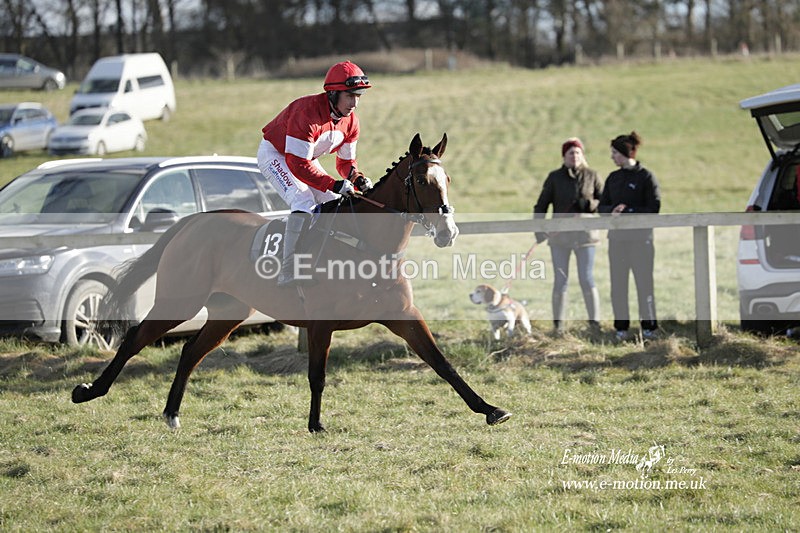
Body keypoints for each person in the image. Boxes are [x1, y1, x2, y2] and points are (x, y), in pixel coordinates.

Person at [257, 60, 373, 287]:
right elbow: (296, 163)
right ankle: (287, 269)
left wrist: (356, 178)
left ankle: (324, 259)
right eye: (350, 96)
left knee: (335, 202)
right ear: (333, 94)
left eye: (358, 96)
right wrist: (332, 183)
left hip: (304, 159)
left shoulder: (351, 123)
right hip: (277, 155)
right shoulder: (307, 113)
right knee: (303, 201)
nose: (355, 104)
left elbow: (346, 163)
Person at [533, 137, 604, 333]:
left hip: (586, 237)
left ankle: (594, 324)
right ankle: (559, 326)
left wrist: (589, 205)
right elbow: (541, 205)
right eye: (570, 153)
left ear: (582, 155)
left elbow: (605, 202)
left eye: (577, 152)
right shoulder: (554, 177)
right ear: (564, 156)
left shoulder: (592, 175)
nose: (574, 156)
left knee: (586, 278)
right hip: (559, 238)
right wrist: (538, 228)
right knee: (561, 279)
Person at [598, 131, 662, 340]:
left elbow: (654, 206)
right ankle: (621, 328)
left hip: (641, 241)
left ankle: (649, 327)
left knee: (644, 284)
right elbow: (602, 206)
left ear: (626, 153)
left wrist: (630, 211)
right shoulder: (613, 178)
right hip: (617, 241)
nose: (612, 157)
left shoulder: (646, 177)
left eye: (615, 153)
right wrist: (612, 211)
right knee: (618, 285)